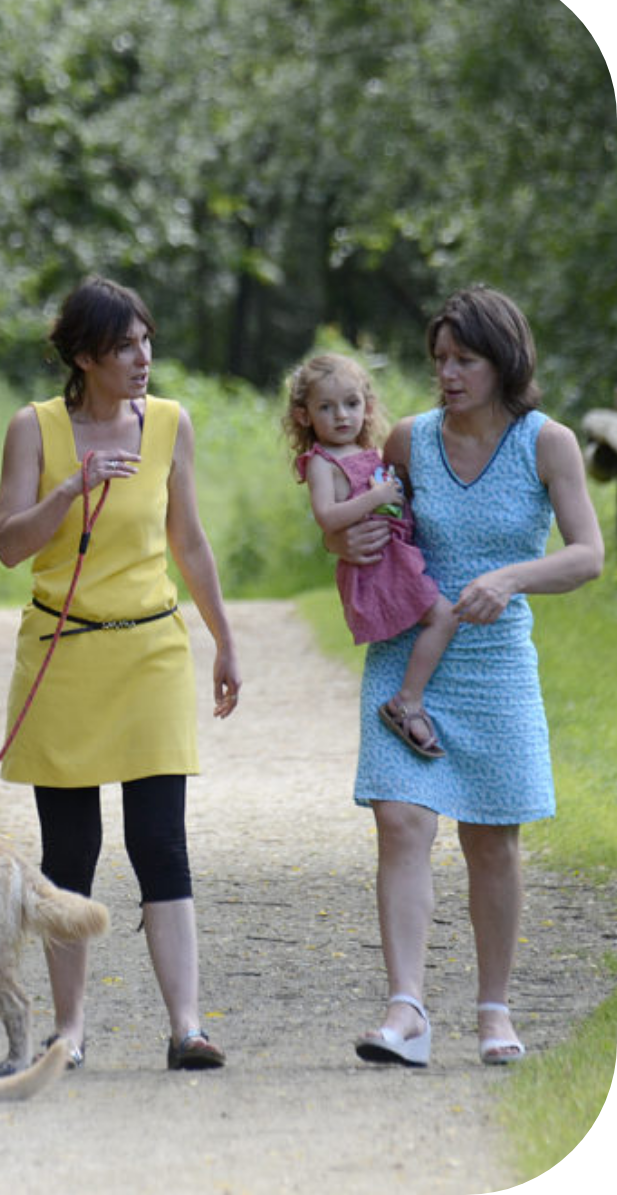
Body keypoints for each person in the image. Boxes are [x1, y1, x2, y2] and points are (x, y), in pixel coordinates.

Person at [327, 286, 604, 1067]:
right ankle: (406, 1011)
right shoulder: (408, 441)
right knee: (401, 822)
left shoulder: (545, 443)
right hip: (410, 650)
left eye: (465, 359)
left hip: (496, 661)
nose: (447, 374)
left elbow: (587, 554)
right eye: (439, 360)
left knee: (492, 841)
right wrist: (348, 551)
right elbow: (369, 530)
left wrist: (511, 578)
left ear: (505, 360)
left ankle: (493, 1011)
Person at [0, 274, 241, 1072]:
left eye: (146, 341)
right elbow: (7, 544)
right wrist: (71, 487)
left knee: (161, 841)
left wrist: (224, 641)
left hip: (151, 654)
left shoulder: (169, 423)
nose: (143, 358)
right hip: (64, 654)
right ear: (82, 356)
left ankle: (187, 1026)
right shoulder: (33, 429)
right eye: (124, 346)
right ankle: (70, 1031)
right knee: (69, 852)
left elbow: (190, 542)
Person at [285, 353, 458, 758]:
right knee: (445, 617)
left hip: (395, 556)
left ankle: (414, 698)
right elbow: (327, 517)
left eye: (351, 404)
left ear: (368, 406)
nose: (341, 415)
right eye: (326, 407)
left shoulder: (373, 452)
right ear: (304, 415)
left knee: (439, 619)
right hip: (378, 566)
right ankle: (407, 701)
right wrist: (378, 497)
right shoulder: (321, 464)